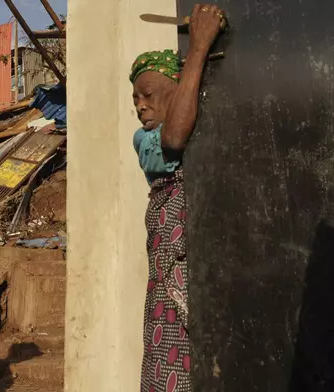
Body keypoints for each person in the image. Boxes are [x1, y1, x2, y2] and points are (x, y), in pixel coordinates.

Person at [130, 4, 224, 392]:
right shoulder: (146, 141)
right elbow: (174, 138)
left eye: (148, 94)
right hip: (170, 272)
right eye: (135, 98)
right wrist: (199, 48)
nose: (139, 106)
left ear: (176, 90)